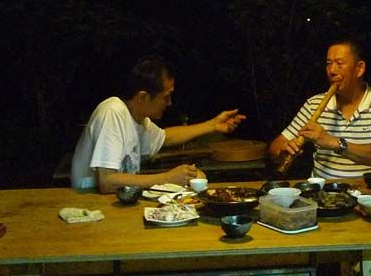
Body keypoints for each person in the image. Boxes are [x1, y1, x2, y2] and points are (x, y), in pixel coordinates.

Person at [70, 56, 245, 193]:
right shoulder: (113, 111)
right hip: (88, 205)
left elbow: (166, 137)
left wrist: (212, 125)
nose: (169, 103)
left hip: (114, 203)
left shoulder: (138, 119)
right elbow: (107, 181)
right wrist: (167, 178)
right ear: (143, 97)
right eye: (166, 96)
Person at [268, 37, 371, 178]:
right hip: (322, 189)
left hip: (368, 190)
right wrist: (282, 152)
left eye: (339, 63)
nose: (332, 70)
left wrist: (332, 142)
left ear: (359, 69)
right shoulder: (314, 103)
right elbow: (275, 148)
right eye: (328, 64)